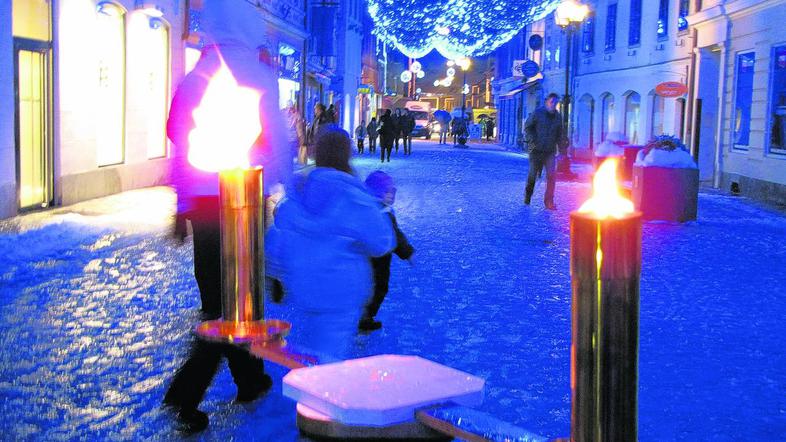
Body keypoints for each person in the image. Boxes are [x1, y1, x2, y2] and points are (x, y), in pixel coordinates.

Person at [163, 0, 292, 433]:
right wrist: (285, 188)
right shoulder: (253, 72)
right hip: (241, 201)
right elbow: (275, 141)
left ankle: (250, 378)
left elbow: (178, 138)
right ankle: (186, 393)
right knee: (233, 301)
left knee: (227, 297)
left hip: (204, 205)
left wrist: (183, 204)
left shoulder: (198, 73)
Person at [265, 128, 395, 360]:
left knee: (314, 347)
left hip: (304, 285)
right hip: (341, 290)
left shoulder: (301, 192)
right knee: (329, 358)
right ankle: (319, 389)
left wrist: (275, 270)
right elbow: (382, 242)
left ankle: (310, 380)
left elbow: (281, 229)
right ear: (348, 154)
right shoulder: (354, 197)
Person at [359, 171, 415, 331]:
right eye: (386, 191)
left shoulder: (365, 209)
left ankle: (363, 315)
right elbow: (395, 236)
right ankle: (366, 318)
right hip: (379, 261)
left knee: (368, 288)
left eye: (392, 191)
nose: (390, 195)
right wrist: (408, 252)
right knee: (378, 288)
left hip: (365, 259)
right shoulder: (383, 213)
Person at [524, 93, 567, 210]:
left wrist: (562, 151)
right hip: (536, 150)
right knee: (533, 175)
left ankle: (549, 201)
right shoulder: (538, 113)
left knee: (551, 176)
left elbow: (560, 134)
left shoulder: (558, 117)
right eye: (552, 101)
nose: (554, 104)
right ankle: (528, 196)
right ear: (547, 101)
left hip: (549, 151)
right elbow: (528, 127)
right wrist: (532, 141)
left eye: (556, 102)